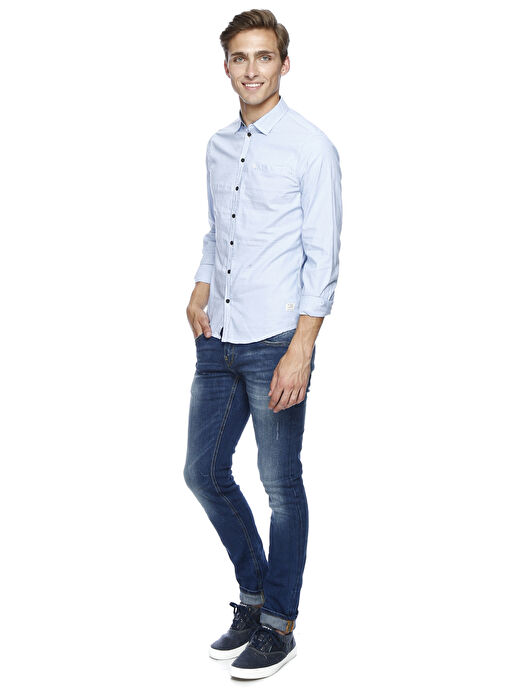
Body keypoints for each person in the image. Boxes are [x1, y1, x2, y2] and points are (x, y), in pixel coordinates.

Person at [184, 8, 342, 680]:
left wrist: (301, 348)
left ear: (284, 63)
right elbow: (218, 228)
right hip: (217, 337)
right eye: (240, 57)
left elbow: (322, 254)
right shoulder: (218, 145)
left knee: (279, 484)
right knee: (203, 473)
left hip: (277, 339)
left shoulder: (311, 147)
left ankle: (279, 623)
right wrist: (198, 287)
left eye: (264, 56)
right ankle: (253, 597)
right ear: (226, 65)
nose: (251, 69)